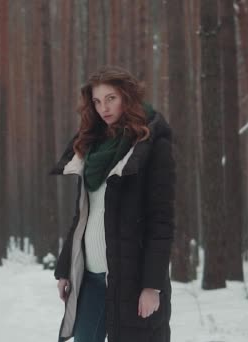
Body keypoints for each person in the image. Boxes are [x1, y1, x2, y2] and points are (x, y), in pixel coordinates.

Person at [50, 65, 175, 342]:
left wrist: (152, 286)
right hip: (91, 278)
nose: (103, 108)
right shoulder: (90, 147)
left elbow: (161, 221)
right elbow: (82, 216)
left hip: (130, 277)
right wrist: (66, 269)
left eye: (111, 98)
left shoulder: (150, 144)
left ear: (127, 97)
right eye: (97, 101)